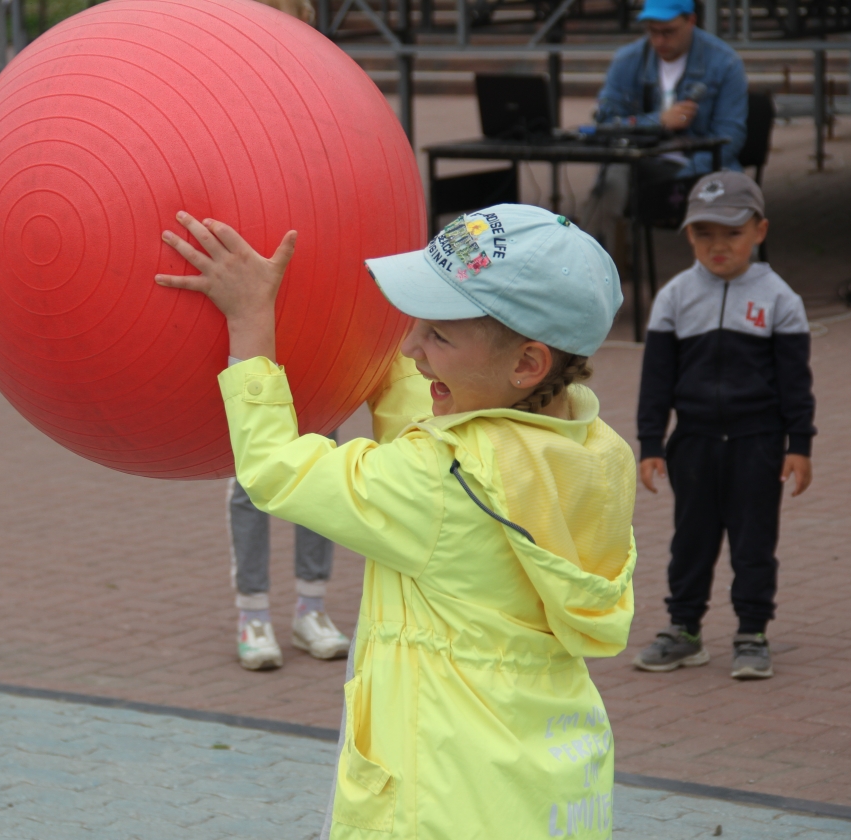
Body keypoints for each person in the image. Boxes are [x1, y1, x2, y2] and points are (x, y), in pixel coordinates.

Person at [157, 204, 635, 838]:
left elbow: (277, 469)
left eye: (438, 335)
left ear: (527, 364)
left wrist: (251, 322)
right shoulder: (594, 449)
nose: (411, 346)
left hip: (441, 800)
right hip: (543, 786)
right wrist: (386, 359)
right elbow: (449, 426)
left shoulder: (439, 481)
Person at [633, 172, 815, 681]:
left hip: (758, 443)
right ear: (689, 235)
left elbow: (795, 384)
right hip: (692, 444)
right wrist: (651, 442)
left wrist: (798, 444)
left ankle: (752, 632)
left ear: (759, 231)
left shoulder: (781, 300)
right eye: (704, 234)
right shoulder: (674, 297)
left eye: (732, 233)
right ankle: (683, 630)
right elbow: (657, 381)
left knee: (754, 541)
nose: (718, 246)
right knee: (690, 540)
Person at [586, 0, 748, 249]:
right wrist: (659, 120)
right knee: (609, 180)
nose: (659, 41)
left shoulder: (725, 62)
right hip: (642, 162)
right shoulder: (626, 60)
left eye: (668, 32)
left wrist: (681, 180)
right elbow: (606, 123)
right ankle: (591, 264)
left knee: (731, 193)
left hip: (702, 164)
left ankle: (740, 278)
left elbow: (730, 138)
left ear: (691, 21)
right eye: (652, 31)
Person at [228, 443, 351, 671]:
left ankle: (311, 610)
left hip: (316, 405)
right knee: (250, 482)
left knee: (317, 474)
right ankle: (253, 617)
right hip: (250, 406)